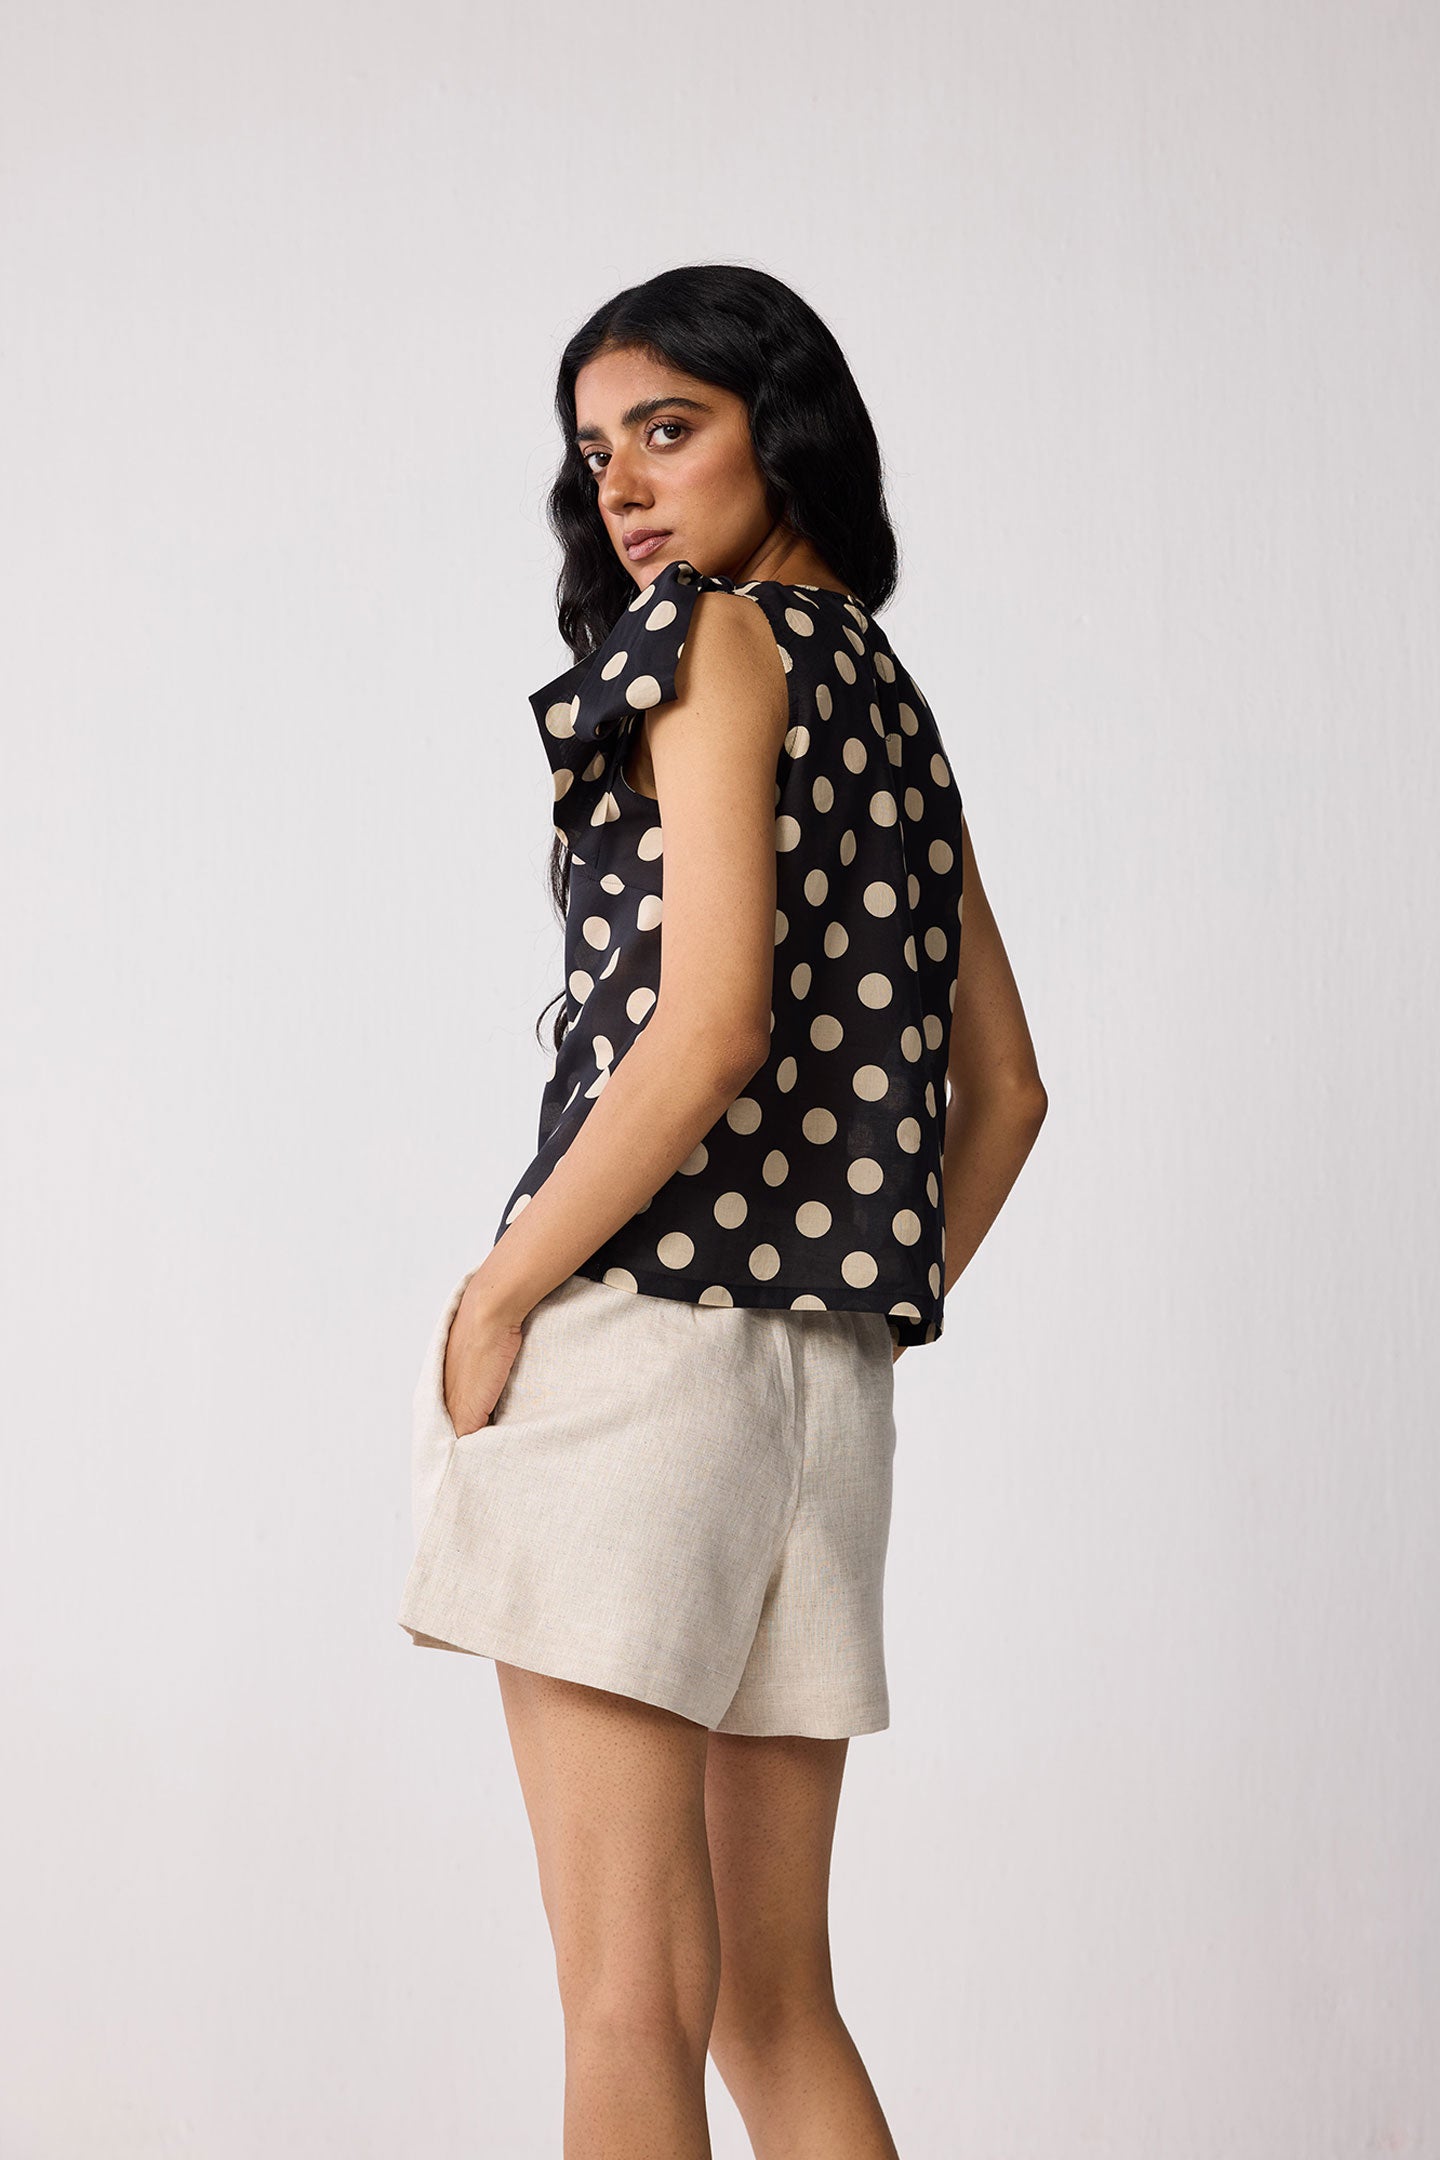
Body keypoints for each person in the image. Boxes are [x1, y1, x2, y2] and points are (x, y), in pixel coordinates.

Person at [396, 263, 1047, 2158]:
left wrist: (500, 1294)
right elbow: (1007, 1095)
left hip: (636, 1363)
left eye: (667, 430)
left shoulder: (713, 642)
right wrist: (845, 1300)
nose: (620, 485)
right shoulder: (893, 705)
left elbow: (709, 1027)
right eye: (596, 451)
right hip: (819, 1405)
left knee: (627, 2003)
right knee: (777, 2005)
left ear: (788, 424)